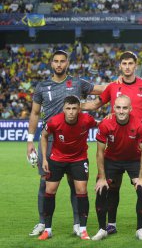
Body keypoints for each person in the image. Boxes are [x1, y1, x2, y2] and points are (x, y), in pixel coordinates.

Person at [26, 50, 105, 237]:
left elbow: (101, 90)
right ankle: (42, 222)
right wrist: (30, 141)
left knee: (75, 183)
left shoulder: (77, 83)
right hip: (49, 139)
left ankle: (78, 224)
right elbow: (35, 114)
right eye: (56, 61)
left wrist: (121, 84)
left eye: (62, 61)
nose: (59, 64)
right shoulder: (42, 86)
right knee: (44, 183)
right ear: (51, 63)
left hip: (72, 140)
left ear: (67, 63)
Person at [82, 51, 142, 234]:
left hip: (138, 148)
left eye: (130, 63)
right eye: (124, 63)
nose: (127, 67)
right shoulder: (112, 87)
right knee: (112, 188)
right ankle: (111, 224)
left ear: (135, 65)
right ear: (120, 66)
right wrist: (70, 105)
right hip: (115, 146)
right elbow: (94, 105)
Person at [38, 96, 98, 240]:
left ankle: (83, 229)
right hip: (57, 159)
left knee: (81, 190)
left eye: (74, 109)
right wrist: (45, 159)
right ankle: (47, 229)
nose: (71, 112)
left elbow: (102, 125)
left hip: (79, 159)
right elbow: (44, 136)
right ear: (64, 109)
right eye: (68, 109)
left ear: (79, 109)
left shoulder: (87, 120)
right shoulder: (54, 121)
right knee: (49, 190)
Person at [92, 95, 142, 241]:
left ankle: (140, 229)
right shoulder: (105, 124)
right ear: (113, 109)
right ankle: (103, 228)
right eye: (118, 107)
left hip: (134, 160)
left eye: (125, 108)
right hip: (112, 160)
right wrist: (102, 178)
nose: (121, 111)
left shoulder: (140, 124)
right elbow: (99, 152)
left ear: (130, 109)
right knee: (102, 189)